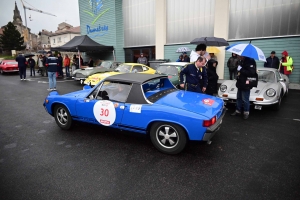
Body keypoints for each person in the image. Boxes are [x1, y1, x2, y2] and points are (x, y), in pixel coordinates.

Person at [231, 55, 258, 120]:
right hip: (240, 83)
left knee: (245, 99)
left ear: (243, 55)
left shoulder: (250, 61)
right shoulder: (241, 61)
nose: (238, 57)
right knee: (239, 98)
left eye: (239, 56)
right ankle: (238, 110)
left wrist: (241, 69)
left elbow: (251, 73)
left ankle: (246, 112)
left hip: (246, 84)